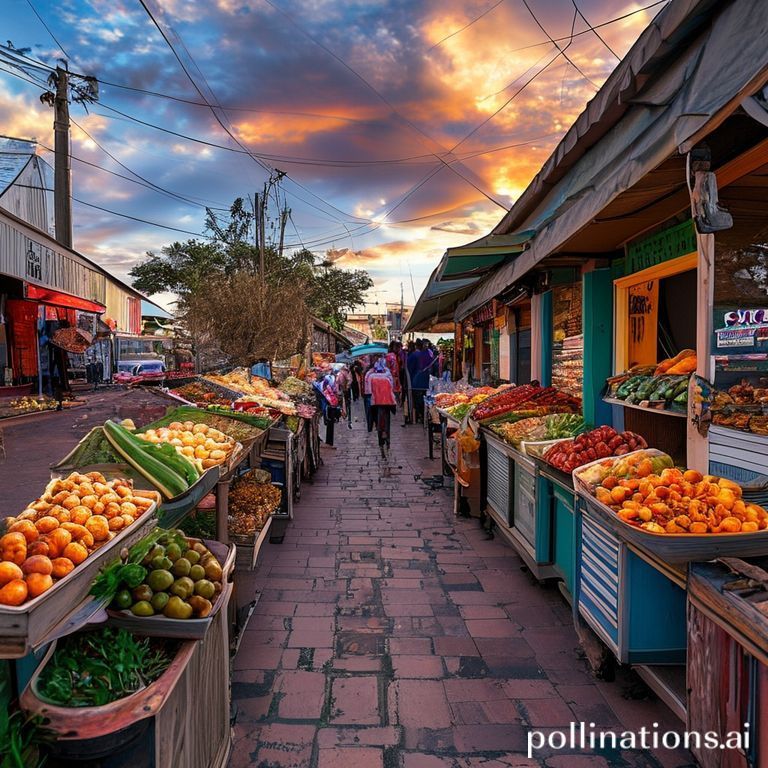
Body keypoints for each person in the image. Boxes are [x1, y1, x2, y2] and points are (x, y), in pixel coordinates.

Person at [369, 358, 397, 457]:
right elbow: (392, 388)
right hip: (388, 402)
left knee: (377, 420)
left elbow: (368, 391)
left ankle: (380, 440)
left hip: (376, 403)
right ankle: (387, 440)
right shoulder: (388, 374)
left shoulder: (371, 375)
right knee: (387, 421)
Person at [314, 370, 341, 447]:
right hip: (330, 407)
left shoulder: (320, 385)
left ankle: (328, 442)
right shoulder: (328, 383)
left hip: (327, 408)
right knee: (328, 424)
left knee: (327, 424)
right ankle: (329, 442)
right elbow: (335, 391)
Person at [335, 364, 353, 429]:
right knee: (342, 403)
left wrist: (347, 387)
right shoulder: (339, 373)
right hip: (341, 390)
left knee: (345, 403)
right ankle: (342, 414)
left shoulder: (344, 372)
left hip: (344, 390)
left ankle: (345, 414)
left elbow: (349, 380)